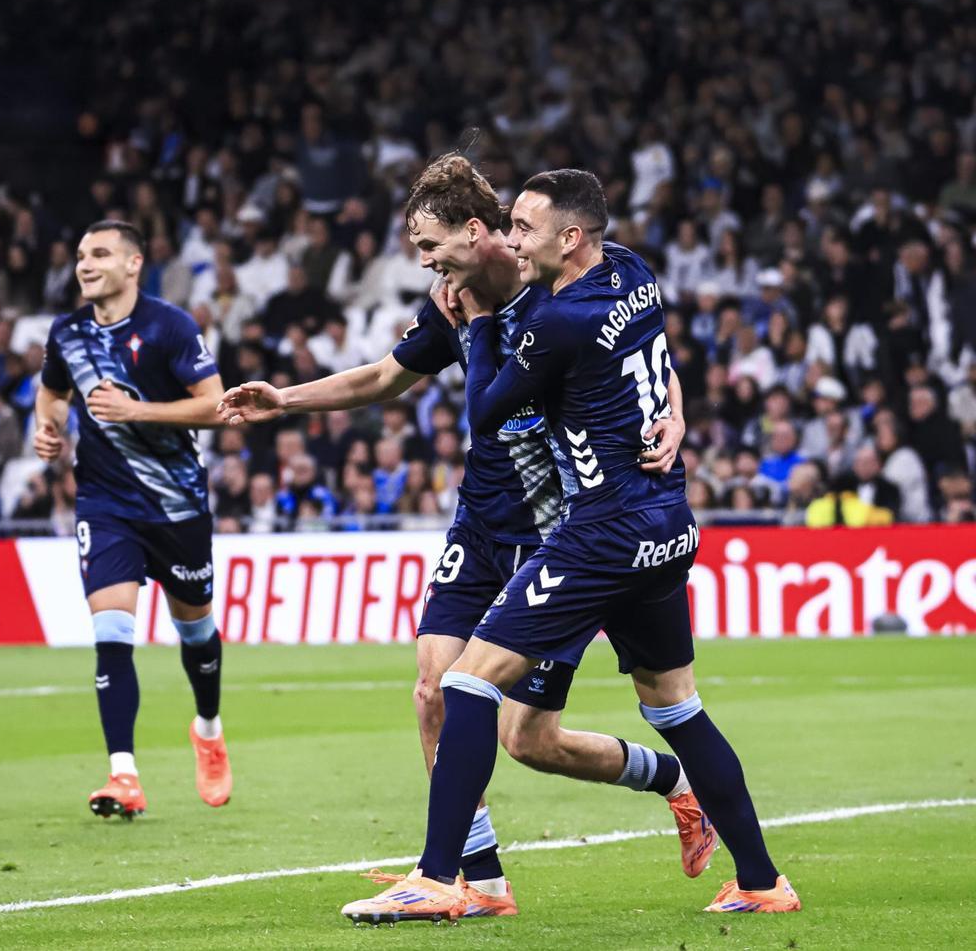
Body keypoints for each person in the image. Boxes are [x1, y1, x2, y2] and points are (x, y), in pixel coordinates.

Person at [218, 155, 711, 919]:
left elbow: (640, 353)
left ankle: (672, 782)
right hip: (480, 524)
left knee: (530, 740)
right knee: (432, 688)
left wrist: (676, 413)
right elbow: (383, 377)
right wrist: (284, 399)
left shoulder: (553, 287)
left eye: (429, 245)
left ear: (477, 232)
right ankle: (474, 879)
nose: (424, 263)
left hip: (558, 535)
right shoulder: (452, 302)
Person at [338, 169, 799, 922]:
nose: (511, 240)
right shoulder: (634, 274)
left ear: (571, 238)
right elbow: (659, 362)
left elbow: (487, 412)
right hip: (668, 522)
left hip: (602, 532)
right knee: (677, 708)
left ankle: (437, 876)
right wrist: (674, 411)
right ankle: (761, 880)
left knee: (466, 685)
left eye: (524, 228)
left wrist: (476, 326)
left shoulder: (558, 322)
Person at [33, 219, 232, 818]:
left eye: (99, 253)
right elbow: (51, 394)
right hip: (104, 501)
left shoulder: (169, 326)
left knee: (195, 630)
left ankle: (208, 728)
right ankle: (124, 775)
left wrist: (136, 411)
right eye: (79, 254)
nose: (85, 264)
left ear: (133, 263)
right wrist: (47, 428)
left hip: (176, 504)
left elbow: (218, 405)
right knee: (112, 634)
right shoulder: (66, 332)